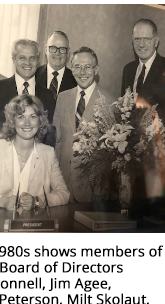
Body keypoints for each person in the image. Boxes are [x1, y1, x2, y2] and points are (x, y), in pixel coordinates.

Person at [0, 94, 70, 210]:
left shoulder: (48, 153)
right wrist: (2, 201)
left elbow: (64, 194)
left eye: (33, 117)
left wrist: (37, 201)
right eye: (21, 117)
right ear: (12, 121)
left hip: (34, 224)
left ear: (40, 121)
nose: (27, 123)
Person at [53, 47, 116, 203]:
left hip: (92, 188)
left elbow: (112, 152)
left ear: (96, 69)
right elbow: (57, 141)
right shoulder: (62, 97)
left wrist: (103, 186)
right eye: (77, 67)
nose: (82, 72)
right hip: (62, 185)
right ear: (72, 69)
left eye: (88, 67)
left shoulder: (109, 101)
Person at [121, 18, 165, 149]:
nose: (141, 44)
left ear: (156, 41)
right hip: (131, 149)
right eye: (137, 39)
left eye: (147, 39)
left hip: (160, 150)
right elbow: (124, 110)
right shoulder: (128, 69)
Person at [0, 39, 56, 125]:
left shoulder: (48, 95)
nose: (27, 63)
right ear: (14, 59)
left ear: (38, 61)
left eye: (32, 58)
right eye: (22, 58)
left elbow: (48, 131)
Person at [36, 31, 77, 99]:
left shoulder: (75, 80)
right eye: (53, 48)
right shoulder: (34, 76)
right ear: (46, 50)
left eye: (62, 49)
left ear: (68, 53)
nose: (57, 53)